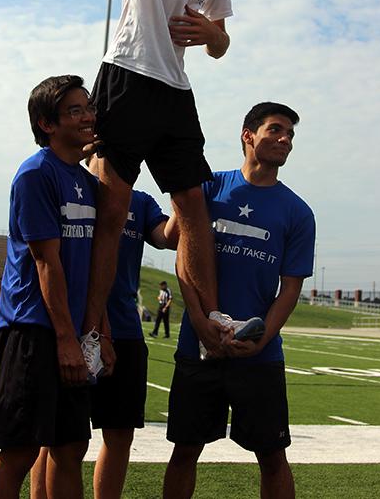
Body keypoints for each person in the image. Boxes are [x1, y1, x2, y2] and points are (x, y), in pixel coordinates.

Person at [83, 0, 240, 358]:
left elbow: (221, 42)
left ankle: (209, 323)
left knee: (194, 207)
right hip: (128, 72)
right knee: (114, 210)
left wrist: (212, 35)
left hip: (175, 89)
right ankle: (92, 332)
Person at [163, 102, 316, 499]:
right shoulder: (208, 186)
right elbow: (182, 255)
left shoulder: (299, 212)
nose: (285, 140)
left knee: (272, 455)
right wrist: (199, 320)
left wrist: (262, 339)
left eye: (290, 135)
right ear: (248, 135)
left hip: (259, 354)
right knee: (185, 451)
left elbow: (291, 288)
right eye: (276, 130)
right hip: (198, 345)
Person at [0, 75, 99, 499]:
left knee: (71, 448)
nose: (88, 116)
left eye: (88, 107)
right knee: (20, 451)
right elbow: (46, 262)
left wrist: (94, 335)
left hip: (70, 330)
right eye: (75, 110)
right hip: (32, 328)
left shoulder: (86, 182)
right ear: (47, 123)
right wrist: (67, 341)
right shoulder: (35, 174)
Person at [30, 173, 178, 499]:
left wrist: (184, 189)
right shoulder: (73, 190)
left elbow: (170, 237)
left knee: (120, 434)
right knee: (56, 436)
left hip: (126, 330)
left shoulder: (139, 201)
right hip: (74, 327)